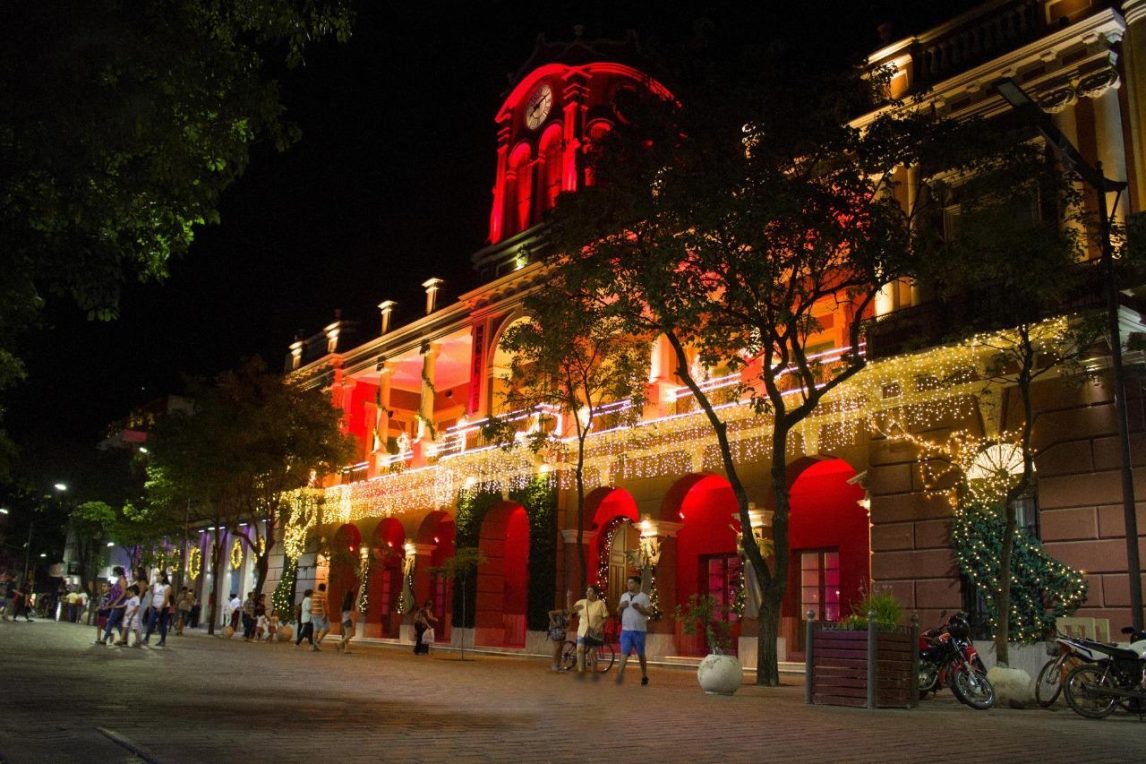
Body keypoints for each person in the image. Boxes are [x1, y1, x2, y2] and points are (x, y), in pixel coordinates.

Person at [615, 576, 651, 685]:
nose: (629, 585)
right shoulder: (624, 596)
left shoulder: (644, 597)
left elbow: (649, 612)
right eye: (628, 583)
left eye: (631, 583)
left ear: (637, 584)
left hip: (639, 631)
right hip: (626, 630)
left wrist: (640, 608)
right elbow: (618, 612)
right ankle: (620, 676)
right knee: (624, 653)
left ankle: (644, 675)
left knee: (641, 654)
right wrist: (620, 607)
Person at [572, 584, 609, 675]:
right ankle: (581, 671)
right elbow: (572, 611)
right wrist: (568, 598)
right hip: (582, 631)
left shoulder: (600, 604)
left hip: (595, 632)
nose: (588, 593)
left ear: (595, 593)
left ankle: (594, 672)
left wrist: (600, 624)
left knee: (592, 653)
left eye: (590, 591)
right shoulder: (581, 602)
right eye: (587, 591)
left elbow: (606, 617)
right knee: (580, 650)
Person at [98, 567, 129, 645]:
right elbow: (115, 594)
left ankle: (104, 639)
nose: (113, 573)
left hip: (119, 604)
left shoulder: (122, 580)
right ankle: (123, 640)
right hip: (116, 603)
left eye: (113, 571)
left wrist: (116, 602)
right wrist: (110, 601)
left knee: (110, 622)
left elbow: (123, 593)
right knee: (118, 623)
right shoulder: (119, 580)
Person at [144, 573, 172, 647]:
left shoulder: (167, 587)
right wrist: (150, 604)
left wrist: (161, 607)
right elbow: (153, 595)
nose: (157, 577)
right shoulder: (156, 585)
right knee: (150, 622)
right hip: (154, 606)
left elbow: (166, 599)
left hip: (164, 608)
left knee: (162, 624)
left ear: (163, 577)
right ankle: (146, 639)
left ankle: (162, 640)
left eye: (158, 576)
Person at [547, 602, 571, 671]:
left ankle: (558, 665)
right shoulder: (561, 612)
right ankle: (554, 664)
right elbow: (550, 613)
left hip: (561, 632)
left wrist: (566, 629)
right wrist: (554, 623)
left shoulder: (570, 616)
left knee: (560, 648)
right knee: (557, 647)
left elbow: (568, 625)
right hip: (555, 631)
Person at [309, 583, 329, 650]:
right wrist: (325, 614)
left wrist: (311, 612)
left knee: (316, 630)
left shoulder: (313, 594)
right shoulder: (323, 594)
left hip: (313, 613)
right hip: (320, 614)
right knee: (326, 628)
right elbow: (324, 604)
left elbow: (311, 604)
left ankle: (314, 646)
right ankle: (318, 641)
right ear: (324, 588)